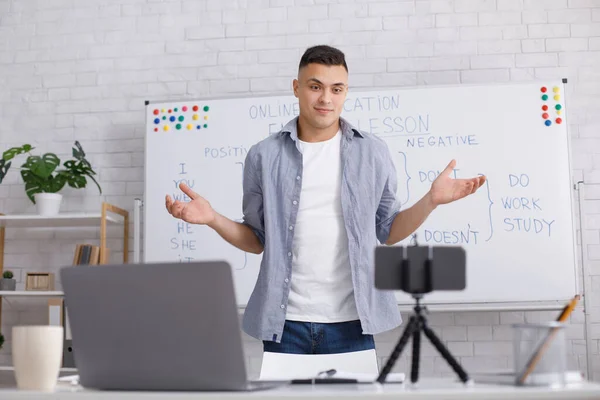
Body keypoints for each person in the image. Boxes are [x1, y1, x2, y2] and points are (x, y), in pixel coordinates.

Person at [165, 45, 486, 355]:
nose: (325, 98)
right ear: (297, 87)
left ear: (345, 92)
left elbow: (388, 231)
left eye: (336, 89)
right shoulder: (263, 156)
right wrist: (212, 218)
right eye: (315, 86)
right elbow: (257, 239)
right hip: (285, 324)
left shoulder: (372, 152)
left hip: (353, 323)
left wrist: (430, 200)